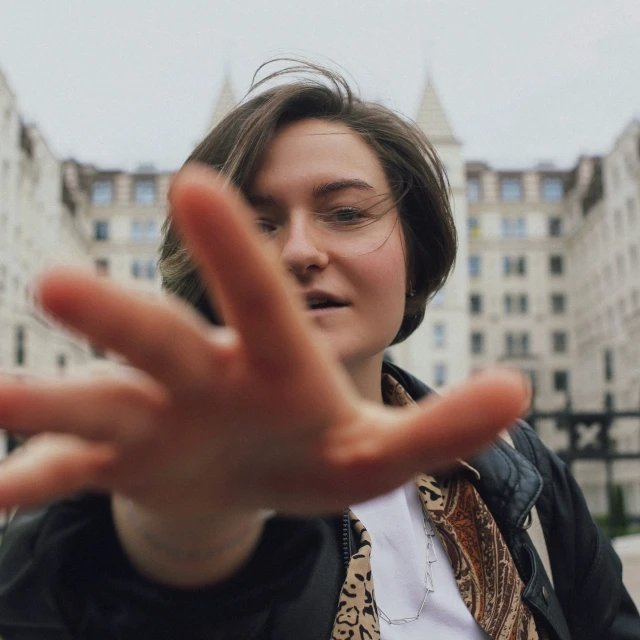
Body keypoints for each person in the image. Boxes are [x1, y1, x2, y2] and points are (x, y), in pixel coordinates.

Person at [0, 60, 637, 640]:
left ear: (416, 260)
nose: (300, 251)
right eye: (256, 224)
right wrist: (180, 536)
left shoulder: (516, 467)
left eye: (347, 213)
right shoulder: (126, 472)